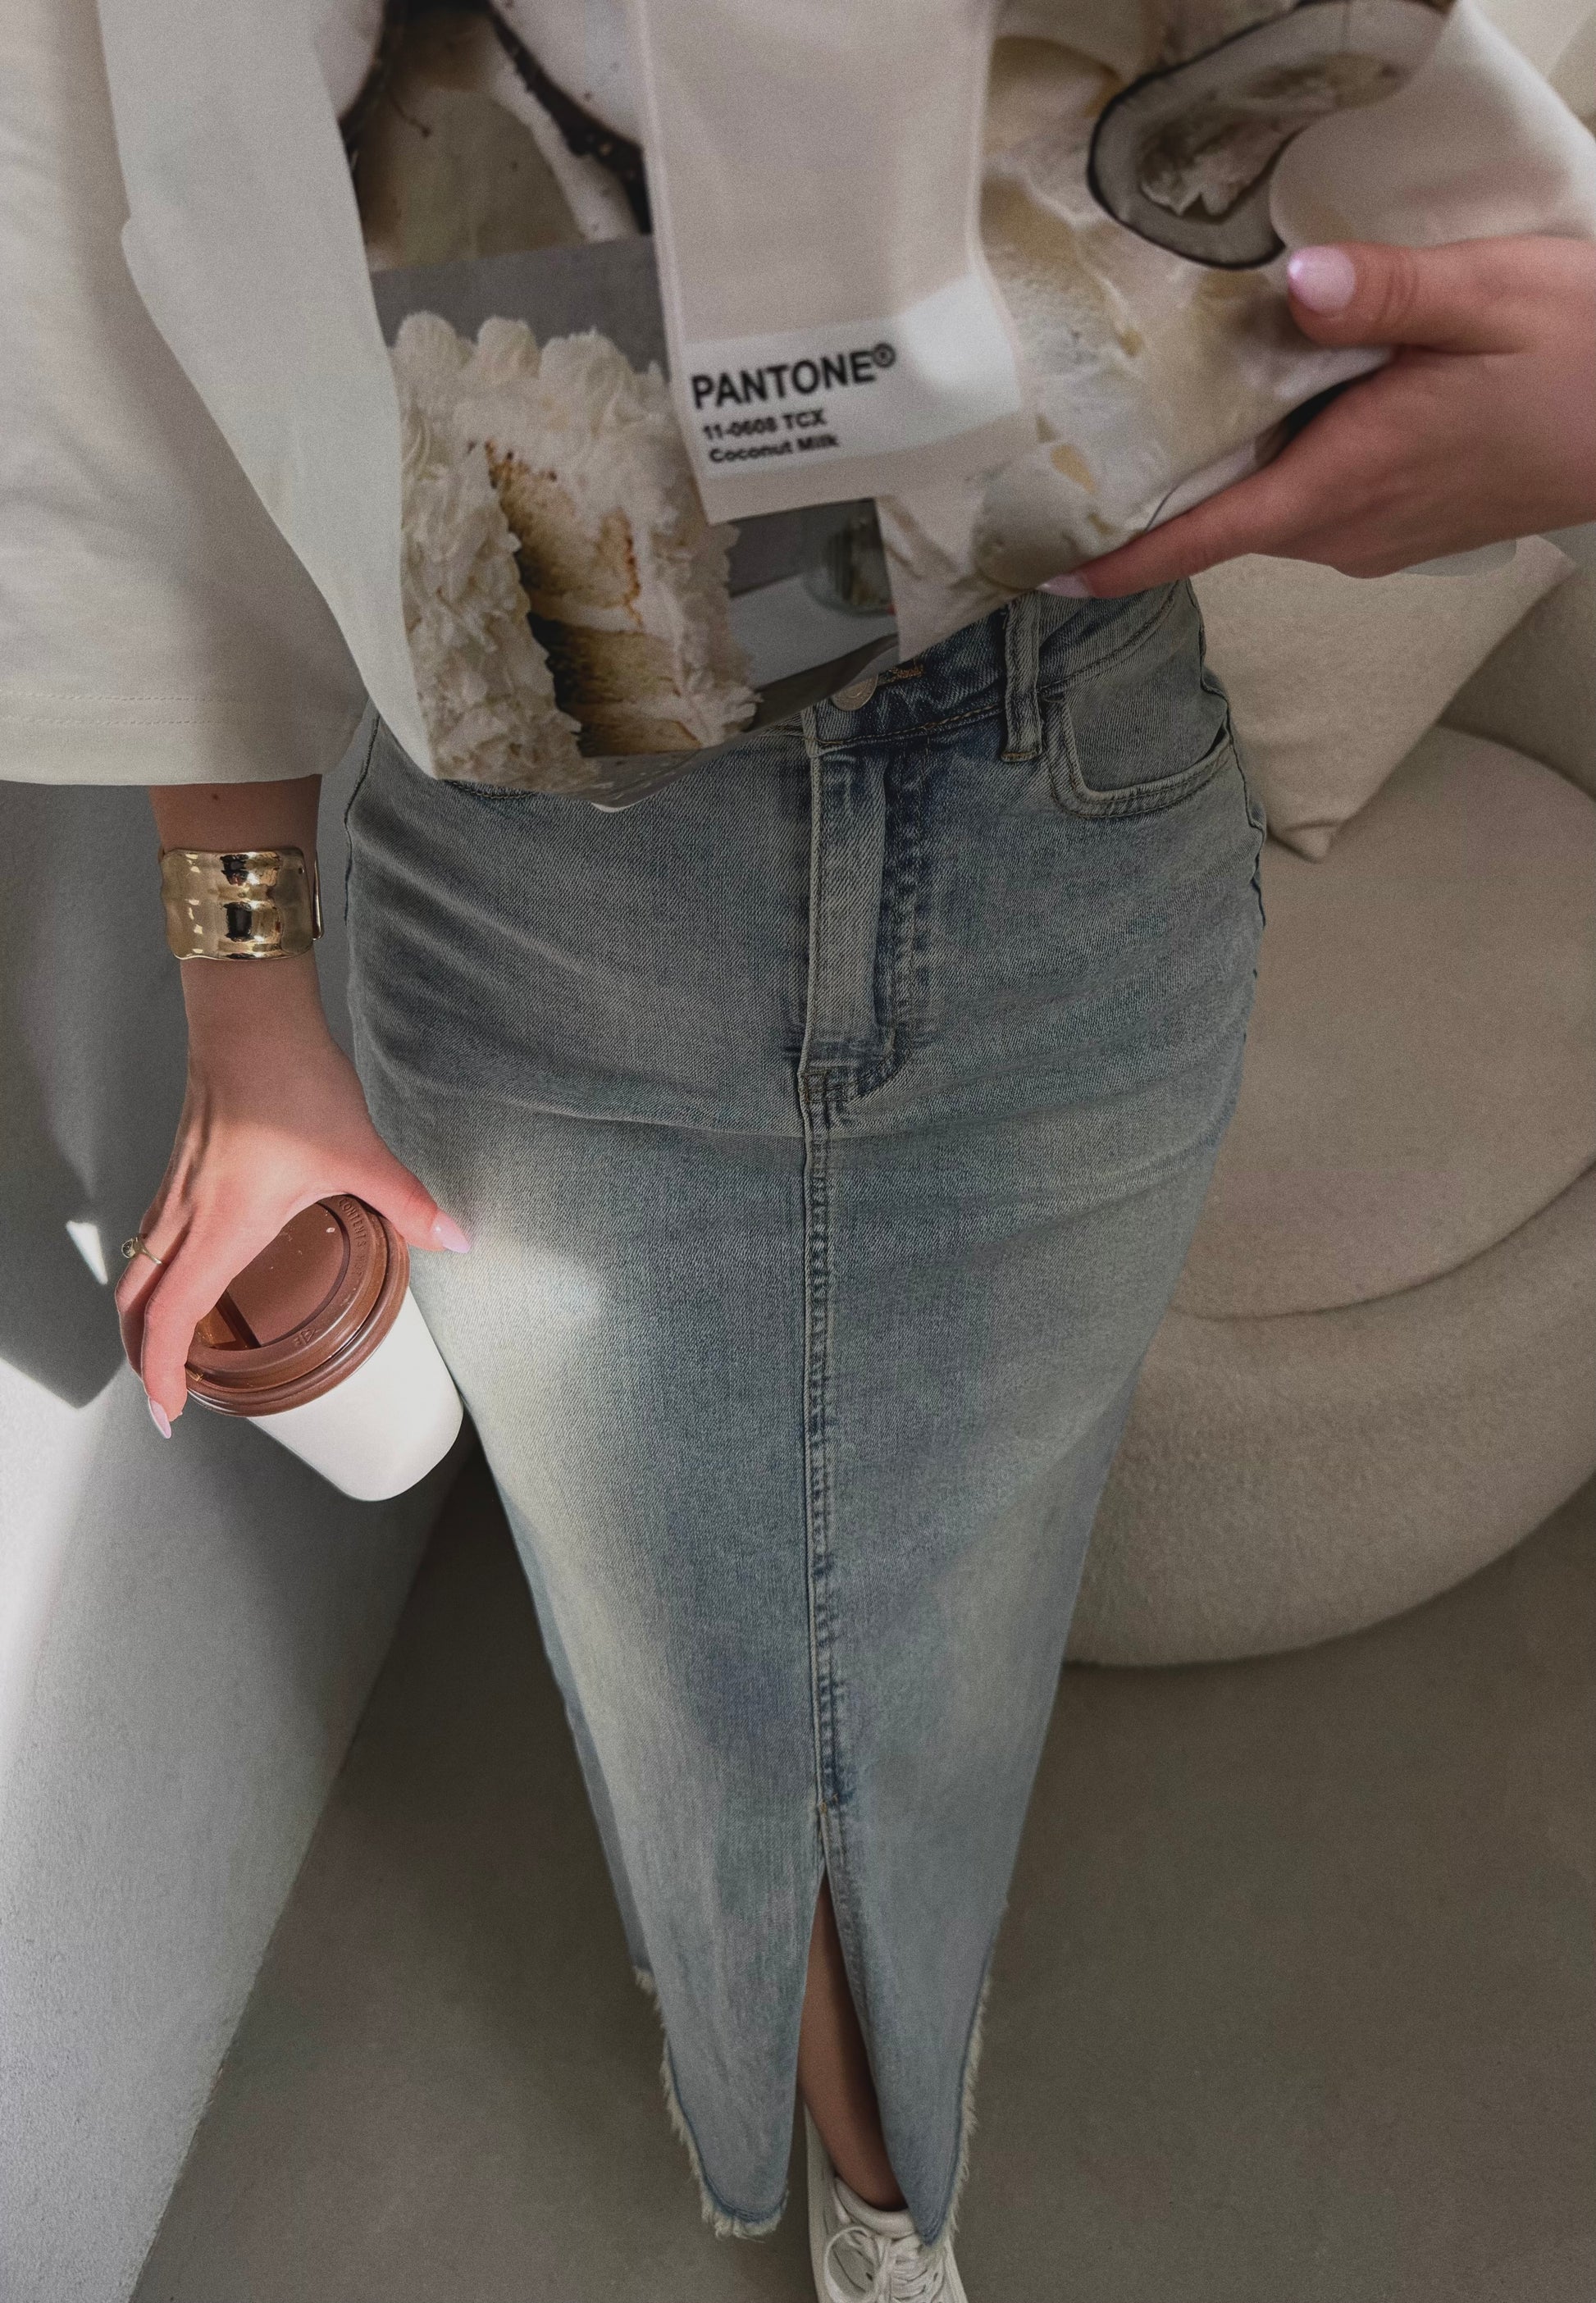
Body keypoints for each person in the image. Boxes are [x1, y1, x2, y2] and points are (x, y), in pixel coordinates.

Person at [7, 0, 1594, 2293]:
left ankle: (881, 2124)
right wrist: (246, 1000)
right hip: (542, 863)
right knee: (674, 1681)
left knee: (958, 1630)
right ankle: (789, 2090)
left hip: (1066, 783)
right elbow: (98, 287)